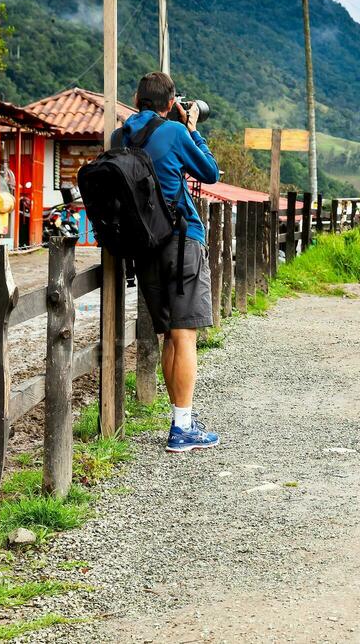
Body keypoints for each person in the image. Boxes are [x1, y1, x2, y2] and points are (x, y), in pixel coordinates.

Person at [112, 72, 222, 453]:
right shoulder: (175, 133)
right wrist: (191, 128)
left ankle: (182, 419)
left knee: (168, 335)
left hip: (145, 249)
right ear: (171, 102)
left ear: (135, 98)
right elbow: (210, 172)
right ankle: (182, 428)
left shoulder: (119, 137)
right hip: (182, 242)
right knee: (186, 333)